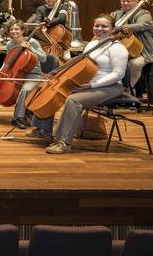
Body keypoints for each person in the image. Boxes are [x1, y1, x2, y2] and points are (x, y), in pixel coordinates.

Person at [30, 15, 129, 154]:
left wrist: (93, 85)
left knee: (73, 100)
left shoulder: (118, 48)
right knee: (53, 92)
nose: (99, 29)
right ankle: (43, 130)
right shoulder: (92, 44)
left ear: (112, 29)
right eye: (97, 26)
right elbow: (82, 64)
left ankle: (64, 142)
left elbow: (118, 74)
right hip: (88, 82)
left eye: (104, 26)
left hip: (110, 86)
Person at [0, 19, 45, 129]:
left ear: (23, 30)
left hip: (33, 74)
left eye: (17, 29)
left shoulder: (33, 42)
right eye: (11, 29)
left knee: (25, 90)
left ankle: (17, 118)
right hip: (14, 73)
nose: (14, 31)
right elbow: (8, 62)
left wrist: (31, 48)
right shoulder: (10, 43)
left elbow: (44, 58)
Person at [111, 0, 153, 90]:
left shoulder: (144, 14)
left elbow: (141, 25)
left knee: (135, 63)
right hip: (121, 49)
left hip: (142, 52)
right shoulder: (117, 14)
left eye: (129, 1)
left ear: (136, 1)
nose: (125, 3)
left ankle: (127, 89)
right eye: (123, 1)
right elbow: (108, 22)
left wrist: (120, 27)